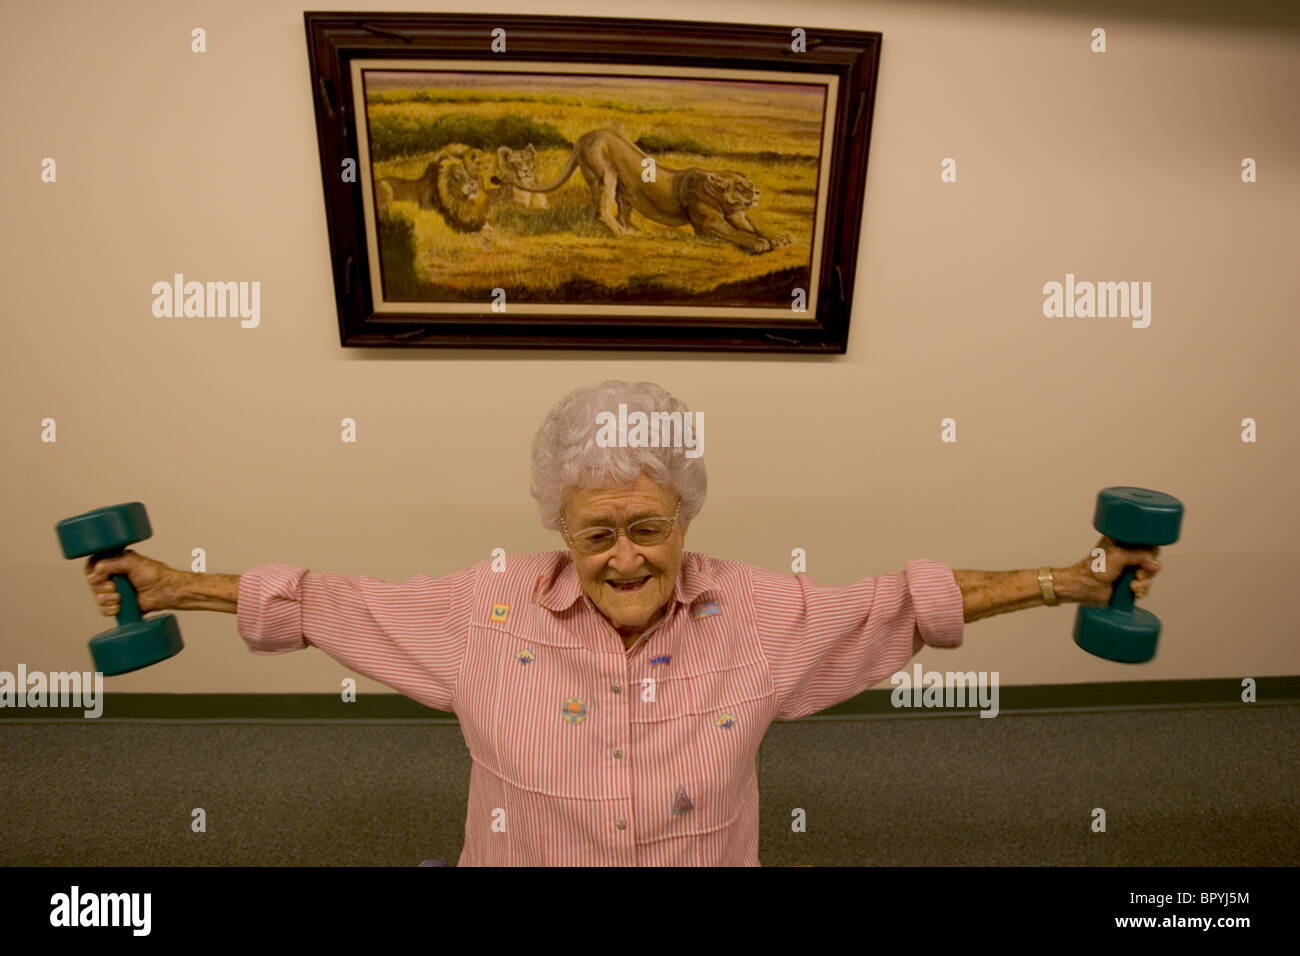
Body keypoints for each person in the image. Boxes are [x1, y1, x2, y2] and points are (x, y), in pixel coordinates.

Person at [84, 379, 1163, 866]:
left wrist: (1071, 577)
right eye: (595, 533)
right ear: (557, 522)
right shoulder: (484, 603)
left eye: (648, 525)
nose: (625, 557)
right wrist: (174, 585)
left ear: (687, 514)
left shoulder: (758, 613)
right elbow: (330, 600)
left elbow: (908, 600)